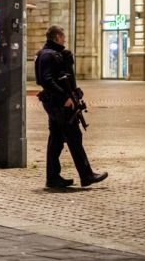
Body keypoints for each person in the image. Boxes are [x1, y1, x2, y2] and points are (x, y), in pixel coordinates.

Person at [34, 25, 108, 188]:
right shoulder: (48, 55)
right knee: (74, 137)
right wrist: (65, 97)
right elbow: (46, 80)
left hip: (56, 103)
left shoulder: (52, 54)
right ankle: (86, 175)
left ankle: (53, 177)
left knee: (56, 140)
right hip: (59, 104)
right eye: (63, 36)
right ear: (57, 37)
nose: (65, 39)